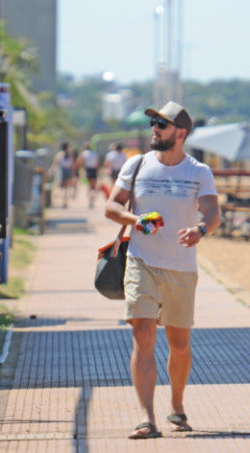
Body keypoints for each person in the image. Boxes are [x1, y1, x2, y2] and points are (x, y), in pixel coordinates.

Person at [104, 101, 221, 439]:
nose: (154, 129)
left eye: (162, 124)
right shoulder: (136, 165)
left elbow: (212, 212)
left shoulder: (199, 171)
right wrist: (136, 220)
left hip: (181, 268)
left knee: (179, 344)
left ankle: (177, 405)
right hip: (141, 261)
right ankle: (146, 417)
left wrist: (200, 230)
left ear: (180, 133)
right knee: (142, 335)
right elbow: (111, 206)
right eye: (153, 123)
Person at [49, 142, 75, 208]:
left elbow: (55, 163)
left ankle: (60, 201)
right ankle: (65, 201)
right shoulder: (69, 154)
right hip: (66, 171)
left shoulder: (59, 154)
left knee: (60, 187)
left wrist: (51, 171)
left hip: (62, 171)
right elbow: (71, 164)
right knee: (66, 187)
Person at [77, 141, 100, 208]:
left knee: (89, 186)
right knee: (94, 186)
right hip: (94, 170)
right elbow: (97, 163)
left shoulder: (83, 153)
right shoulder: (94, 153)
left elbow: (80, 162)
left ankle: (90, 200)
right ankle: (93, 199)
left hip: (88, 170)